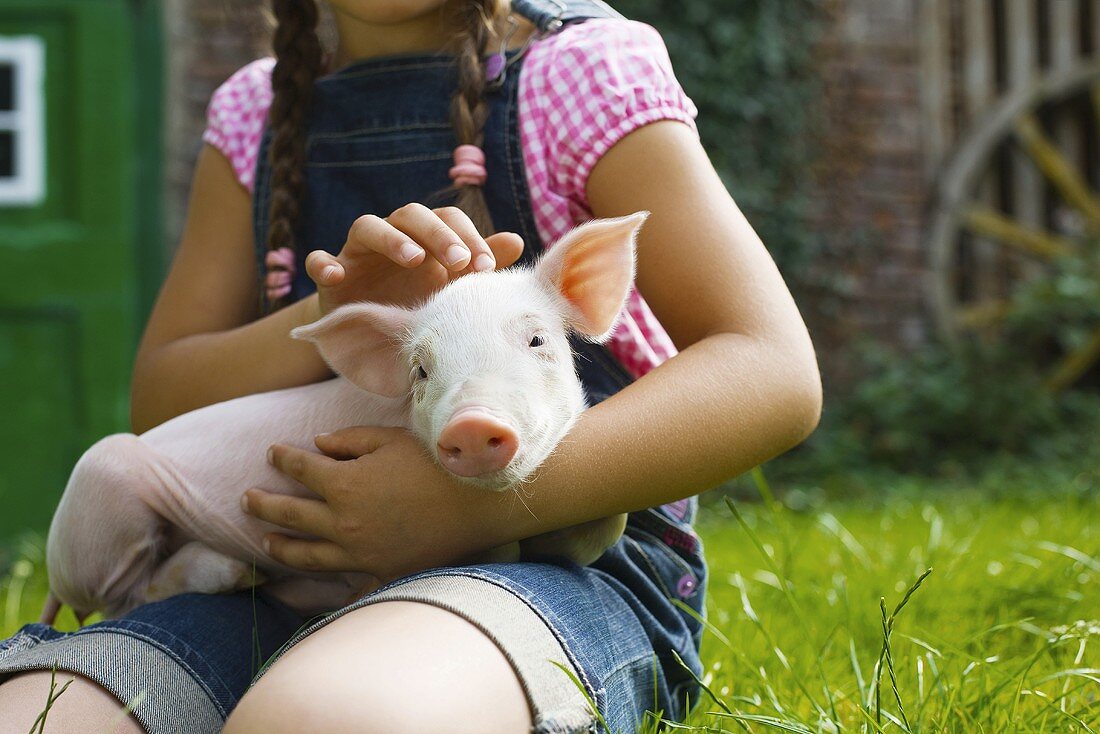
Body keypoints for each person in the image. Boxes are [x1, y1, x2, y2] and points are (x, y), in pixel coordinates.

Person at [0, 0, 822, 732]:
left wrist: (472, 511)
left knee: (324, 719)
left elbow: (773, 371)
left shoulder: (584, 72)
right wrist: (325, 310)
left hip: (562, 564)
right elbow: (162, 400)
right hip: (265, 575)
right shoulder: (256, 112)